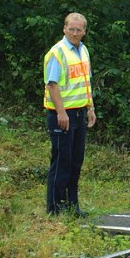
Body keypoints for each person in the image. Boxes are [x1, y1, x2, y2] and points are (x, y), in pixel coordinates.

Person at [44, 12, 97, 216]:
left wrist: (90, 108)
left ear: (84, 31)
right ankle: (54, 209)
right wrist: (61, 112)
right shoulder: (57, 52)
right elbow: (52, 85)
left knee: (76, 161)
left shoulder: (83, 51)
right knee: (61, 162)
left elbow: (86, 83)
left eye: (79, 29)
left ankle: (72, 206)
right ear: (64, 29)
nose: (75, 33)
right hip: (61, 115)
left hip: (80, 113)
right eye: (71, 29)